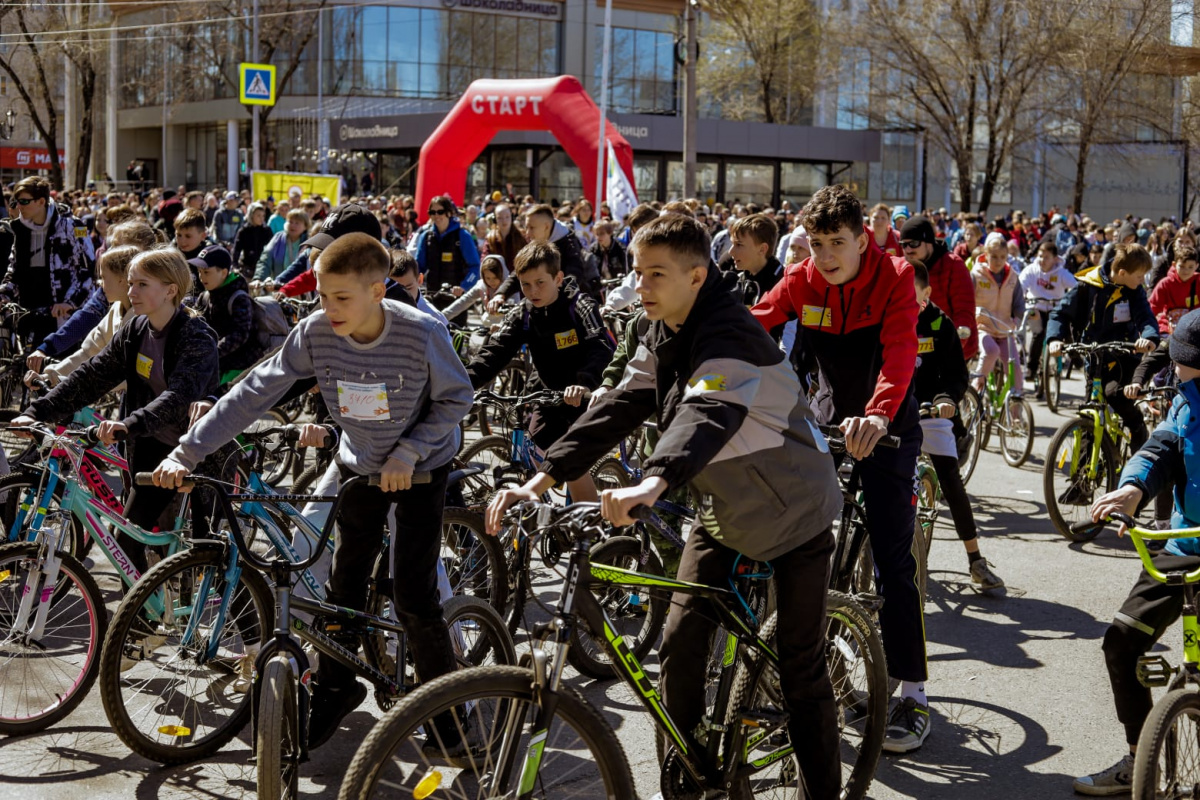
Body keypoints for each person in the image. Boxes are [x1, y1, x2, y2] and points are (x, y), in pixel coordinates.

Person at [484, 214, 844, 799]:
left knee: (800, 668)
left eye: (656, 274)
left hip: (794, 508)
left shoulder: (732, 337)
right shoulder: (663, 329)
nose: (641, 285)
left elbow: (707, 413)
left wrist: (651, 483)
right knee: (678, 644)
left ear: (697, 276)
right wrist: (545, 477)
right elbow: (623, 402)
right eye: (636, 271)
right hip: (725, 509)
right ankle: (693, 774)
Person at [153, 232, 472, 749]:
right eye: (322, 295)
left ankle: (451, 719)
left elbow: (458, 400)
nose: (329, 308)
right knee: (342, 591)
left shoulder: (419, 332)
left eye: (341, 297)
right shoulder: (316, 331)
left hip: (420, 471)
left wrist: (410, 450)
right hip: (358, 467)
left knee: (415, 595)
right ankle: (335, 691)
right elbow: (256, 391)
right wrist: (186, 451)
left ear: (377, 290)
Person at [751, 184, 930, 754]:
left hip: (889, 425)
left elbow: (900, 352)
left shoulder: (897, 276)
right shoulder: (803, 277)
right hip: (826, 421)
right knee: (798, 546)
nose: (825, 256)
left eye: (838, 243)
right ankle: (800, 664)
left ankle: (913, 693)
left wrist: (877, 417)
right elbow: (756, 322)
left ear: (863, 240)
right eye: (818, 243)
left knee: (893, 561)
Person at [11, 247, 219, 573]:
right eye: (131, 283)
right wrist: (38, 412)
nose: (131, 291)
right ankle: (139, 623)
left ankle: (245, 621)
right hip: (149, 446)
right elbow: (93, 375)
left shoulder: (195, 335)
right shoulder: (136, 330)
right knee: (129, 543)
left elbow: (180, 396)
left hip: (190, 451)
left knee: (212, 558)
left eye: (141, 285)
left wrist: (128, 423)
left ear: (171, 290)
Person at [1073, 309, 1200, 796]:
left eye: (1181, 363)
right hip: (1184, 544)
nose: (1174, 371)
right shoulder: (1185, 398)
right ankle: (1136, 758)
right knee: (1121, 643)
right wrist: (1131, 490)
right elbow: (1162, 448)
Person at [465, 241, 612, 504]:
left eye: (540, 282)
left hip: (586, 395)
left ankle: (590, 535)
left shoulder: (579, 304)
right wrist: (463, 382)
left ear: (558, 278)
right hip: (549, 395)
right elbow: (495, 352)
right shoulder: (524, 313)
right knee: (532, 453)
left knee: (569, 461)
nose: (532, 291)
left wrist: (584, 382)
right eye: (525, 284)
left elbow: (601, 346)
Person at [912, 263, 1004, 589]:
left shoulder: (940, 323)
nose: (905, 301)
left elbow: (956, 375)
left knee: (951, 480)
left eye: (912, 294)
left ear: (927, 293)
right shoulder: (886, 316)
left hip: (932, 410)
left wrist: (946, 398)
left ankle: (975, 560)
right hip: (893, 410)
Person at [1047, 243, 1159, 451]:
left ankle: (1138, 431)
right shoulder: (1087, 285)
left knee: (1116, 395)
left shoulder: (1134, 291)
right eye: (1139, 276)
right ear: (1123, 272)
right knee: (1089, 411)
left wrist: (1149, 337)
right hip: (1095, 355)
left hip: (1124, 355)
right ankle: (1082, 477)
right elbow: (1059, 314)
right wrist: (1055, 339)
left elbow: (1146, 317)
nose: (1142, 280)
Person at [1, 176, 96, 350]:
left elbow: (87, 270)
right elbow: (13, 269)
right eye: (16, 201)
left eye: (24, 201)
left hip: (61, 315)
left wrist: (70, 303)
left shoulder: (73, 226)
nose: (18, 206)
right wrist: (3, 295)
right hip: (28, 310)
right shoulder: (20, 230)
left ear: (41, 201)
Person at [26, 244, 138, 388]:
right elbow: (87, 352)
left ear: (121, 280)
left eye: (104, 278)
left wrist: (69, 380)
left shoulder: (143, 317)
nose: (100, 284)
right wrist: (50, 376)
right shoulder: (116, 309)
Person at [901, 215, 979, 361]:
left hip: (951, 346)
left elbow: (964, 311)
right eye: (904, 245)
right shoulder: (903, 267)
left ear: (929, 242)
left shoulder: (954, 265)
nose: (908, 249)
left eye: (914, 243)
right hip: (915, 347)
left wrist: (953, 346)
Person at [190, 245, 266, 384]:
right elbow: (194, 323)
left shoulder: (239, 298)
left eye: (206, 272)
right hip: (216, 363)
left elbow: (240, 333)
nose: (201, 277)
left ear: (224, 273)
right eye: (199, 272)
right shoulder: (205, 296)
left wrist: (213, 352)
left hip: (239, 367)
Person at [972, 232, 1026, 395]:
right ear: (986, 255)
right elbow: (967, 300)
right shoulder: (976, 275)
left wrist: (1017, 320)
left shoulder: (1013, 277)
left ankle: (1016, 413)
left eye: (1003, 257)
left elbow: (1019, 304)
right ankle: (975, 389)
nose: (998, 261)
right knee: (991, 352)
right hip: (983, 328)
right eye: (994, 256)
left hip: (1005, 330)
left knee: (1015, 367)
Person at [1019, 241, 1077, 392]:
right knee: (1038, 334)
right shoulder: (1031, 270)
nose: (1042, 260)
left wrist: (1070, 301)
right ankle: (1031, 369)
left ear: (1055, 259)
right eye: (1040, 256)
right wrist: (1025, 300)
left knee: (1065, 332)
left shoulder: (1061, 273)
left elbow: (1076, 287)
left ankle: (1075, 358)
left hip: (1055, 309)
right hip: (1036, 308)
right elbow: (1021, 287)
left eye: (1046, 257)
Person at [413, 195, 480, 298]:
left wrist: (464, 286)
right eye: (432, 212)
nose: (436, 216)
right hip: (432, 296)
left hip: (456, 298)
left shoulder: (462, 235)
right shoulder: (426, 236)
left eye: (440, 212)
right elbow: (419, 267)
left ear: (449, 213)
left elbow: (475, 267)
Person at [440, 254, 514, 326]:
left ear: (502, 274)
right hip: (488, 325)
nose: (491, 282)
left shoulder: (510, 287)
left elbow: (514, 311)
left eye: (495, 278)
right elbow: (463, 302)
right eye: (487, 278)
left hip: (507, 327)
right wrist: (441, 317)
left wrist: (502, 325)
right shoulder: (481, 286)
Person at [387, 248, 448, 326]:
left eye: (408, 288)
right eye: (393, 289)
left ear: (419, 280)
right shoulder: (374, 312)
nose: (402, 295)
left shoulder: (435, 320)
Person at [255, 209, 310, 286]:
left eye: (297, 223)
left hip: (301, 289)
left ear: (305, 226)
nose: (292, 225)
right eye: (290, 222)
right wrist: (259, 278)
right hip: (278, 286)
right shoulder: (278, 238)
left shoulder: (309, 242)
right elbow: (266, 258)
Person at [231, 203, 272, 281]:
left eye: (263, 216)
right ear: (251, 215)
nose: (261, 218)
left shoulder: (266, 230)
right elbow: (237, 249)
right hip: (247, 267)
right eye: (258, 215)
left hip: (263, 268)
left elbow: (272, 248)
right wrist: (235, 265)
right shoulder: (244, 230)